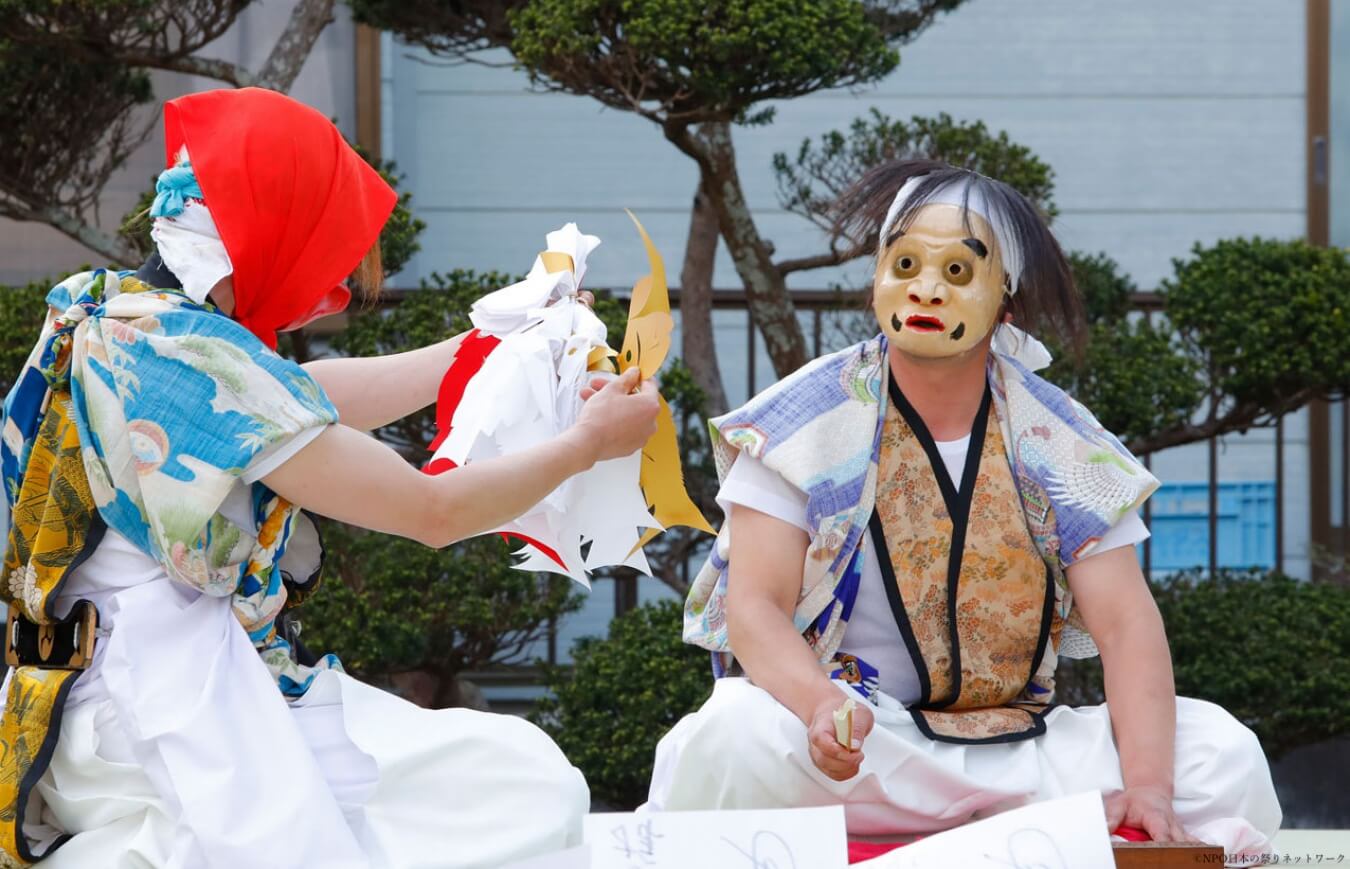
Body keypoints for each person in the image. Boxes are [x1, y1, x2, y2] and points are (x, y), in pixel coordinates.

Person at [0, 87, 659, 869]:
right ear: (266, 227)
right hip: (165, 719)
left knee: (521, 781)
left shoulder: (119, 313)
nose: (333, 295)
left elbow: (307, 395)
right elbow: (434, 510)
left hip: (127, 695)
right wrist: (586, 445)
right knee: (517, 791)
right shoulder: (185, 359)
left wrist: (497, 339)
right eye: (325, 258)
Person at [646, 159, 1281, 860]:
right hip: (859, 747)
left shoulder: (1060, 440)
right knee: (731, 732)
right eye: (906, 262)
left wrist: (1152, 789)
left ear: (1004, 302)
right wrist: (821, 710)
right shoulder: (803, 418)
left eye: (956, 273)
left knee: (1223, 752)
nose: (924, 289)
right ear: (877, 279)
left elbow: (1128, 626)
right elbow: (754, 607)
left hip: (1013, 750)